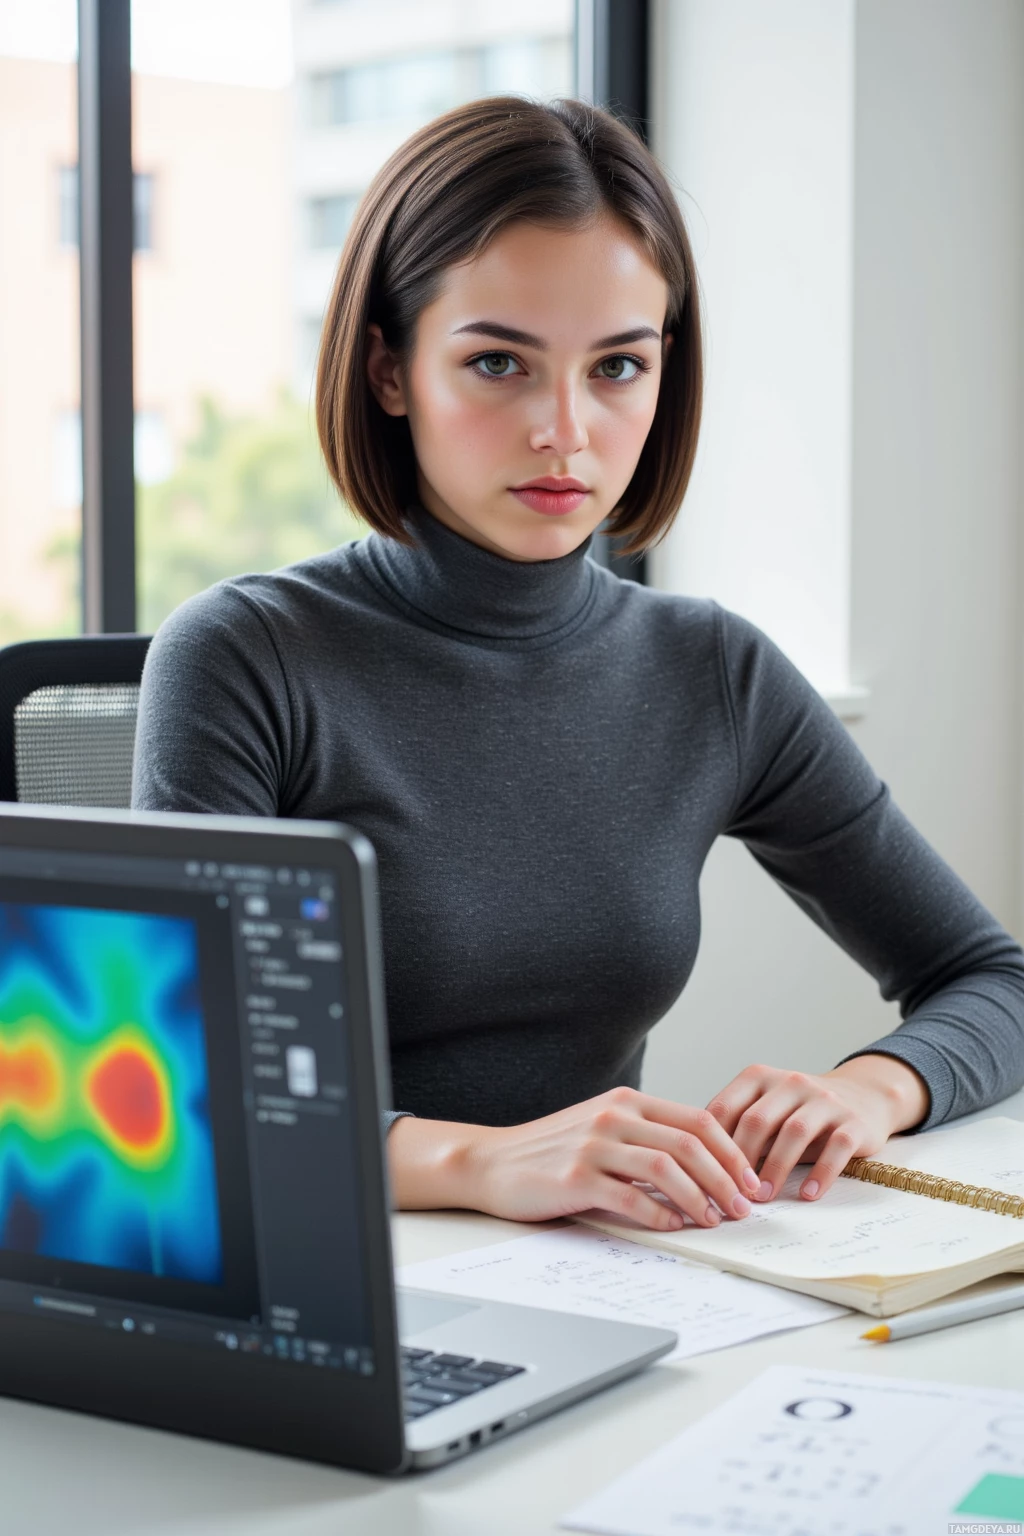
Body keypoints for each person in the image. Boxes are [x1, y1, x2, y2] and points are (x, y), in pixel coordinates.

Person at [132, 96, 1024, 1237]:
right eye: (499, 361)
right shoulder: (248, 656)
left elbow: (990, 979)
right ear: (388, 371)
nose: (565, 429)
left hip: (608, 1280)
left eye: (617, 367)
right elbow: (172, 1105)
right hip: (320, 1276)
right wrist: (484, 1162)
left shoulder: (711, 669)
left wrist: (864, 1090)